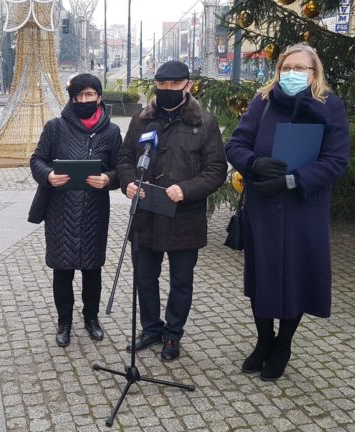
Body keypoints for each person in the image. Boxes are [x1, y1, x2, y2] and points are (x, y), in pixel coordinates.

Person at [224, 43, 350, 381]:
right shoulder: (262, 102)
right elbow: (235, 144)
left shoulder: (330, 106)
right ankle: (264, 340)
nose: (293, 74)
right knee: (261, 274)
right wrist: (253, 163)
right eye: (287, 68)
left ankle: (283, 344)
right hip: (263, 206)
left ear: (315, 72)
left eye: (302, 69)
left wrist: (293, 181)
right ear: (278, 70)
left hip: (303, 211)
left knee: (297, 275)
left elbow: (336, 160)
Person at [117, 61, 227, 362]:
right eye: (161, 85)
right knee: (144, 278)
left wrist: (186, 189)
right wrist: (128, 182)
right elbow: (125, 158)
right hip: (146, 214)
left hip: (184, 218)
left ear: (188, 86)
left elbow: (216, 170)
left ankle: (173, 335)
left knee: (181, 281)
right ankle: (151, 329)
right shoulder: (141, 119)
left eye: (174, 85)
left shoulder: (204, 122)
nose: (167, 91)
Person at [30, 74, 122, 347]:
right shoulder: (55, 128)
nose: (84, 100)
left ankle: (91, 317)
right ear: (72, 99)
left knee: (92, 269)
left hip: (95, 210)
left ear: (99, 98)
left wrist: (109, 179)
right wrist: (48, 175)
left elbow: (120, 167)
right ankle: (64, 321)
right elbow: (37, 159)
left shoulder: (111, 132)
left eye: (89, 95)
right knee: (63, 270)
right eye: (79, 96)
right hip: (61, 211)